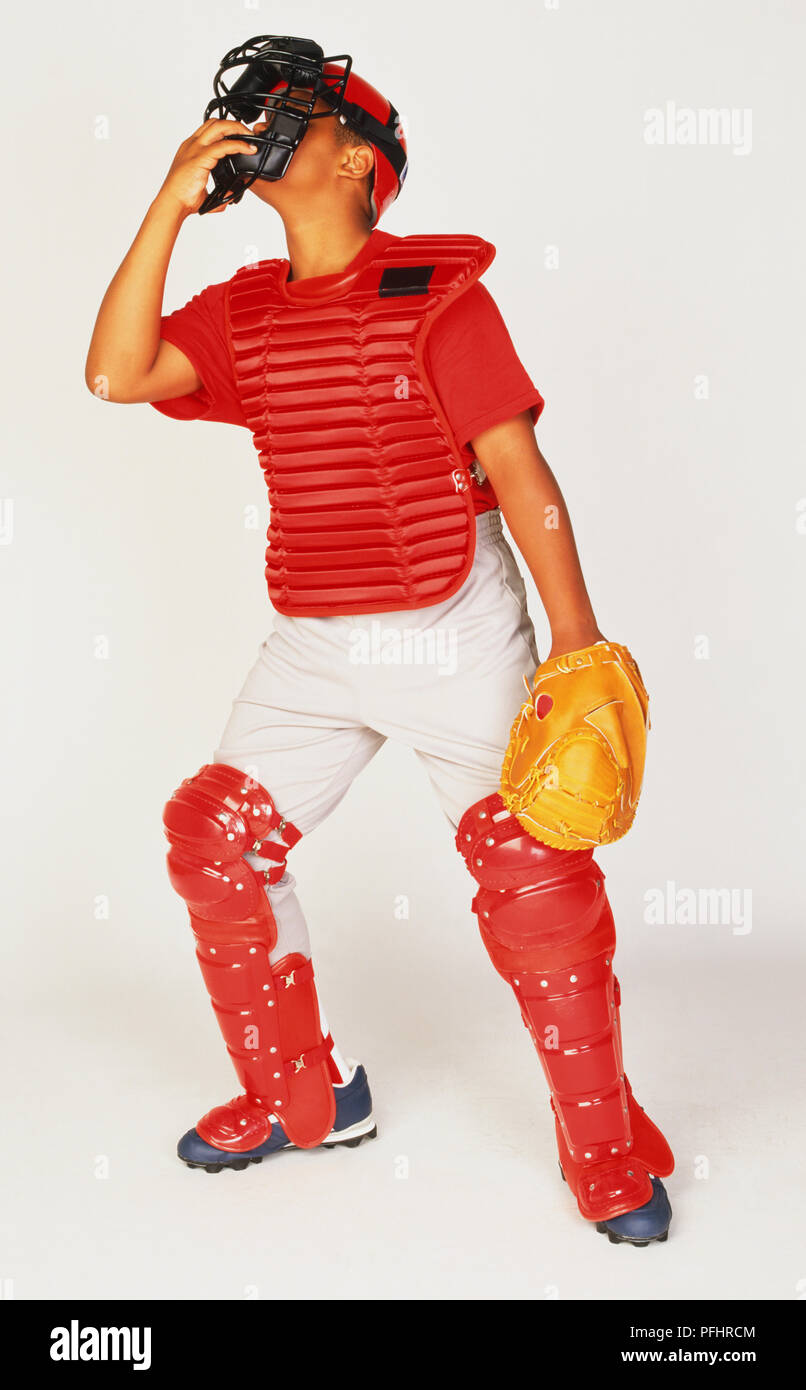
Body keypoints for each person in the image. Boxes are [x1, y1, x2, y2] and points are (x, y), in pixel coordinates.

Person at [85, 36, 673, 1245]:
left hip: (453, 623)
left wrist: (576, 644)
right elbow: (115, 371)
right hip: (315, 638)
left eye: (295, 112)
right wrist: (168, 205)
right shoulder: (243, 313)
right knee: (213, 840)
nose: (264, 122)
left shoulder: (436, 296)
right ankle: (302, 1097)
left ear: (357, 159)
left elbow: (518, 470)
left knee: (535, 880)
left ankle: (604, 1144)